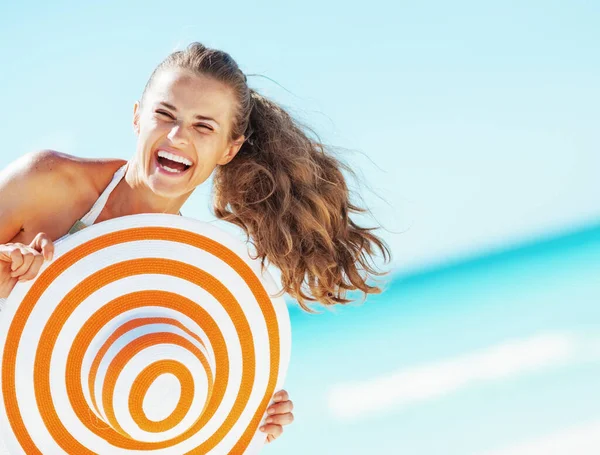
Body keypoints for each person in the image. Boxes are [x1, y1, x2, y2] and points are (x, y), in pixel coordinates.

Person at [0, 42, 391, 444]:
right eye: (164, 114)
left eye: (203, 126)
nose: (177, 136)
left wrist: (239, 413)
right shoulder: (47, 182)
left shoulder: (184, 275)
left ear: (229, 149)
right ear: (137, 117)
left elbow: (148, 409)